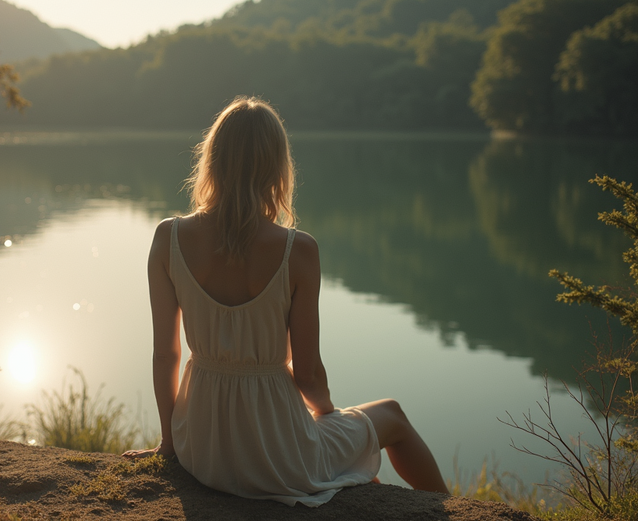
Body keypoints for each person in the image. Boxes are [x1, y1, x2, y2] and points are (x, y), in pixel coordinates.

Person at [123, 96, 448, 505]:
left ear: (213, 159)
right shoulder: (298, 250)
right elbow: (308, 375)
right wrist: (328, 413)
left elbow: (164, 357)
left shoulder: (167, 238)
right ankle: (456, 512)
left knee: (343, 442)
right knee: (393, 415)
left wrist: (170, 443)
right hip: (277, 457)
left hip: (202, 450)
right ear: (277, 166)